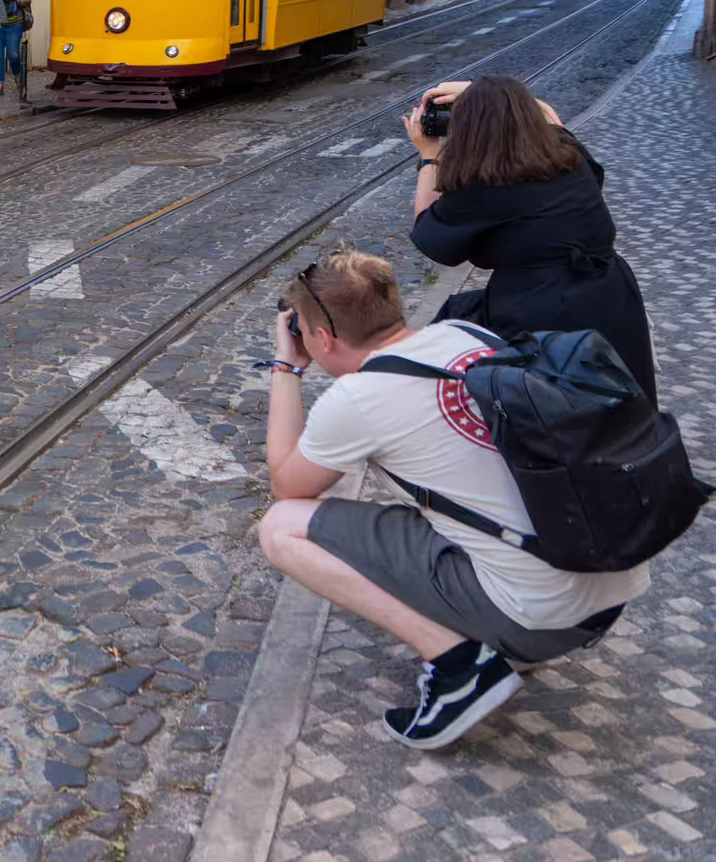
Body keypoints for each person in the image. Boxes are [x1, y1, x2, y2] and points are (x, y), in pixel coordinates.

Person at [257, 249, 647, 750]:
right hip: (609, 586)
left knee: (282, 526)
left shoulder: (359, 398)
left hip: (542, 619)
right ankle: (496, 634)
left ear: (323, 338)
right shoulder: (470, 335)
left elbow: (288, 485)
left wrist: (285, 368)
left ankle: (457, 667)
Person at [404, 77, 657, 400]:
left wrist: (429, 156)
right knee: (616, 402)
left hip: (541, 307)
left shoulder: (486, 182)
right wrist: (486, 92)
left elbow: (430, 236)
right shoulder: (566, 153)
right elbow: (549, 115)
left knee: (446, 346)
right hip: (611, 294)